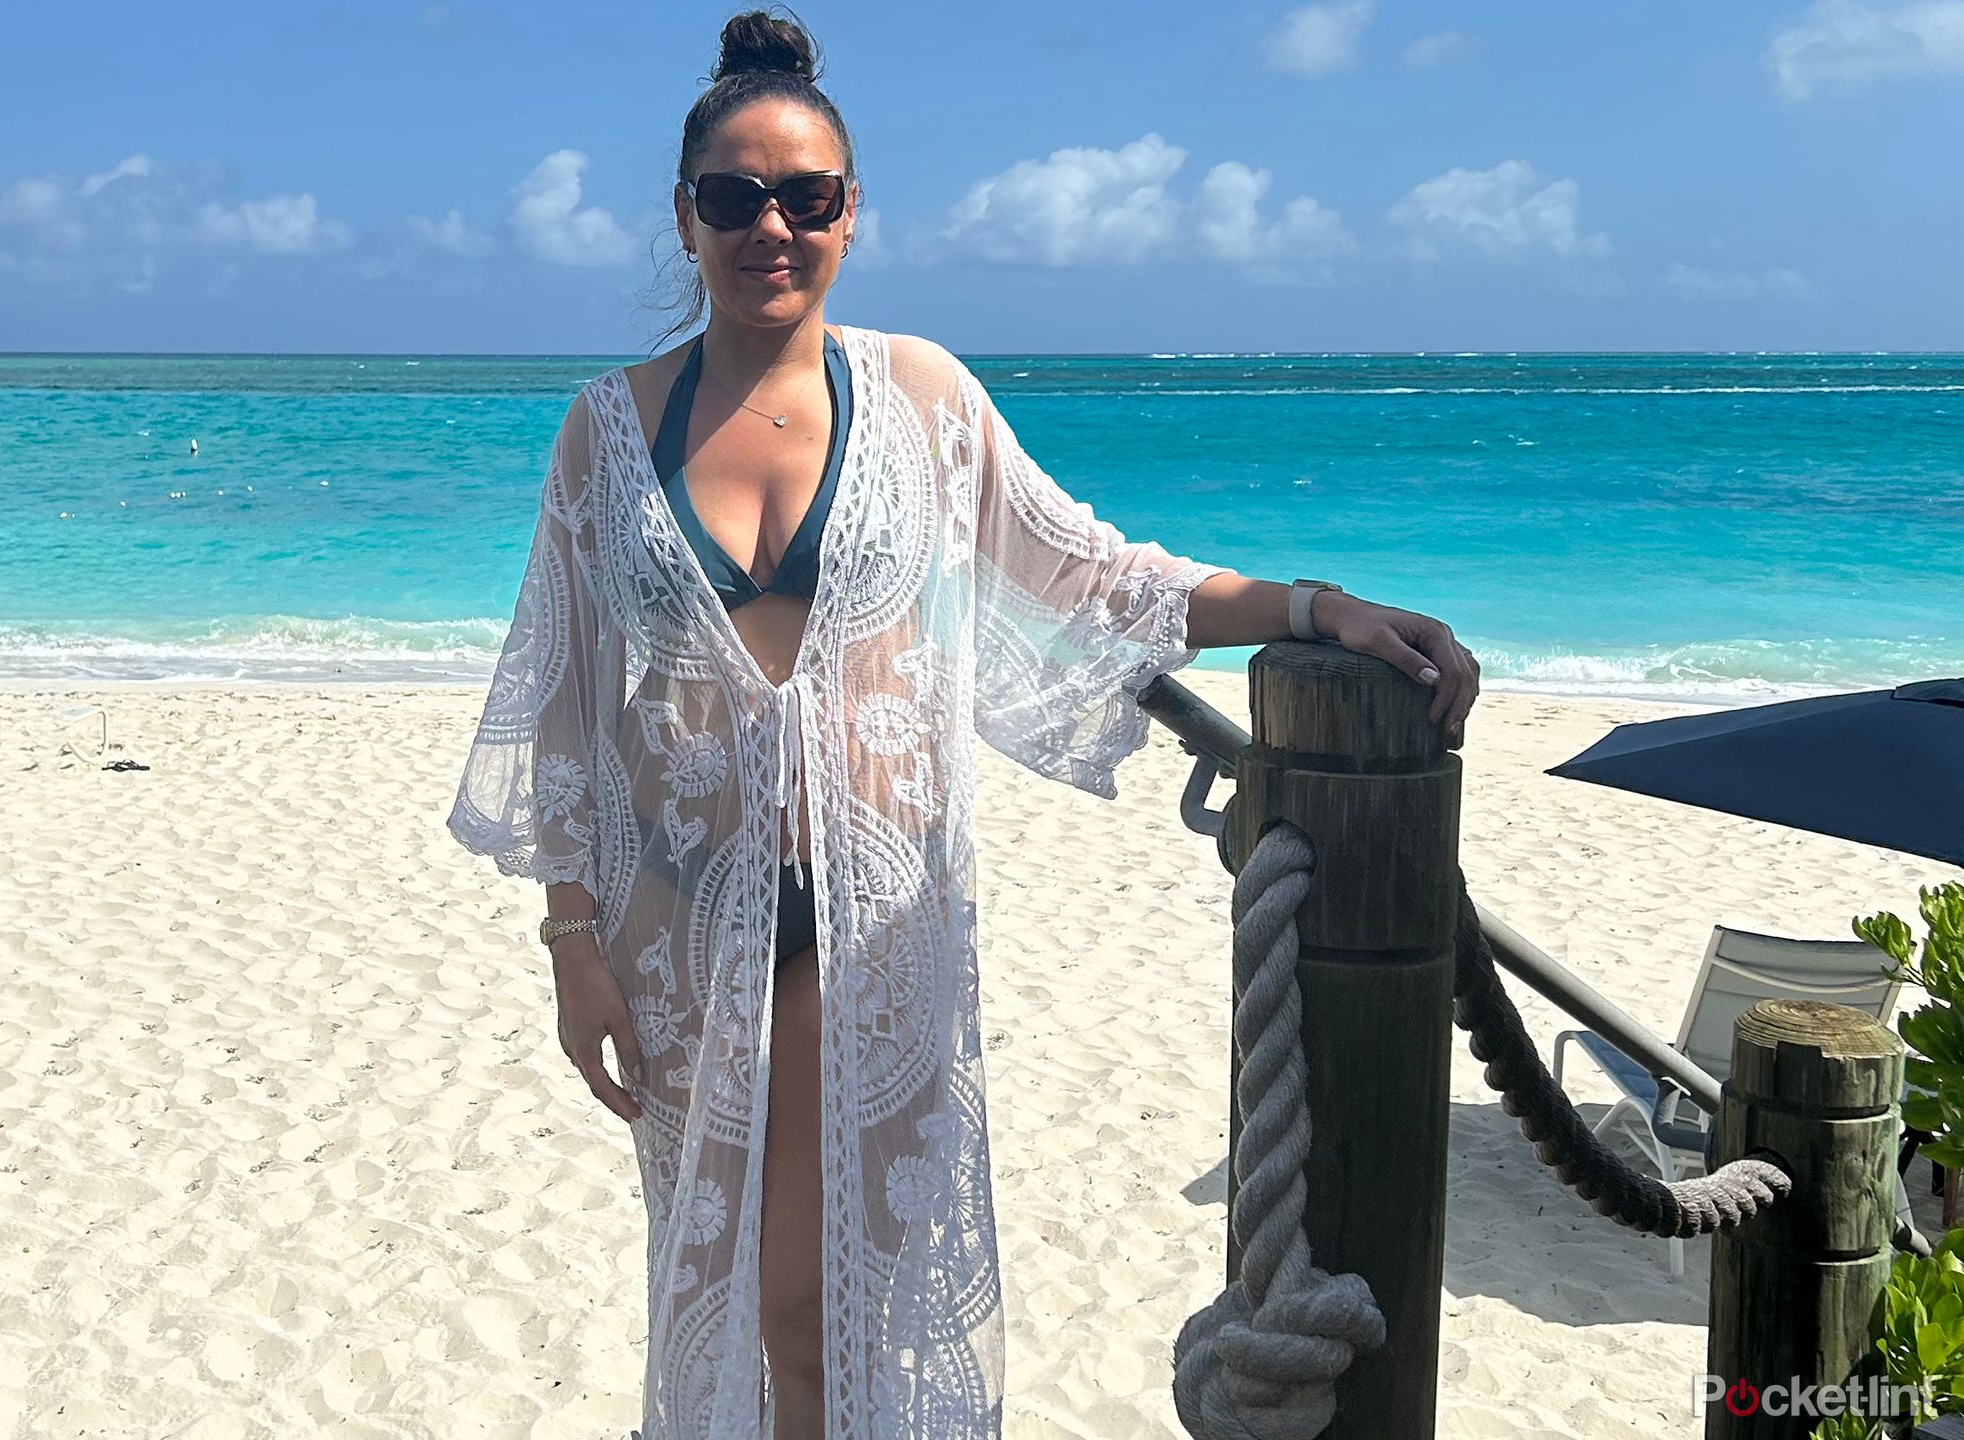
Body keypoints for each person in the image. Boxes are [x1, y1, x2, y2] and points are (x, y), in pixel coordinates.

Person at [446, 10, 1482, 1436]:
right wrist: (572, 942)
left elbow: (1094, 572)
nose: (771, 227)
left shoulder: (922, 399)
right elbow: (561, 702)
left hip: (877, 934)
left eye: (805, 198)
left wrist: (1312, 610)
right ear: (682, 217)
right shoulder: (605, 429)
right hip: (678, 933)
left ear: (850, 216)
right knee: (722, 1294)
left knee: (837, 1299)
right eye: (733, 197)